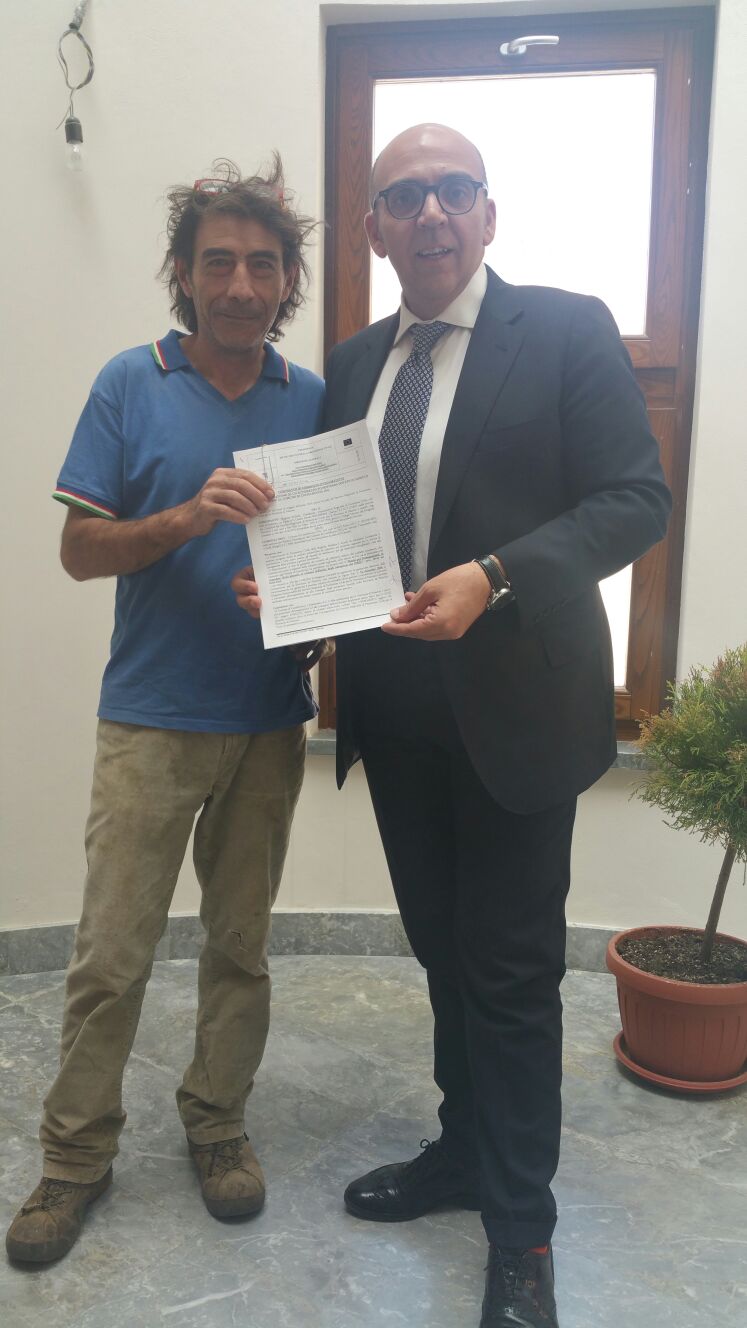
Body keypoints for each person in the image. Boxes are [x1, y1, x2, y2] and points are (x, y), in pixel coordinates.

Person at [233, 124, 672, 1326]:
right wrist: (296, 592)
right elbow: (345, 532)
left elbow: (636, 499)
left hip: (522, 714)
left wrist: (496, 572)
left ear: (487, 213)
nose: (430, 211)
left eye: (453, 190)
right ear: (375, 228)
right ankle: (464, 1149)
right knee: (442, 951)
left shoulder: (566, 328)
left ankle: (521, 1234)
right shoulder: (354, 361)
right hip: (398, 713)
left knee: (513, 975)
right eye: (405, 196)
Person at [6, 158, 326, 1266]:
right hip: (148, 721)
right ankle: (73, 1158)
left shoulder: (312, 399)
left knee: (241, 947)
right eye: (217, 263)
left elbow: (331, 564)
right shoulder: (126, 383)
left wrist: (309, 613)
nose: (240, 285)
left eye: (263, 265)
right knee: (111, 955)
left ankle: (218, 1122)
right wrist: (186, 518)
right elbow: (77, 550)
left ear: (286, 281)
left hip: (268, 722)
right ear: (182, 274)